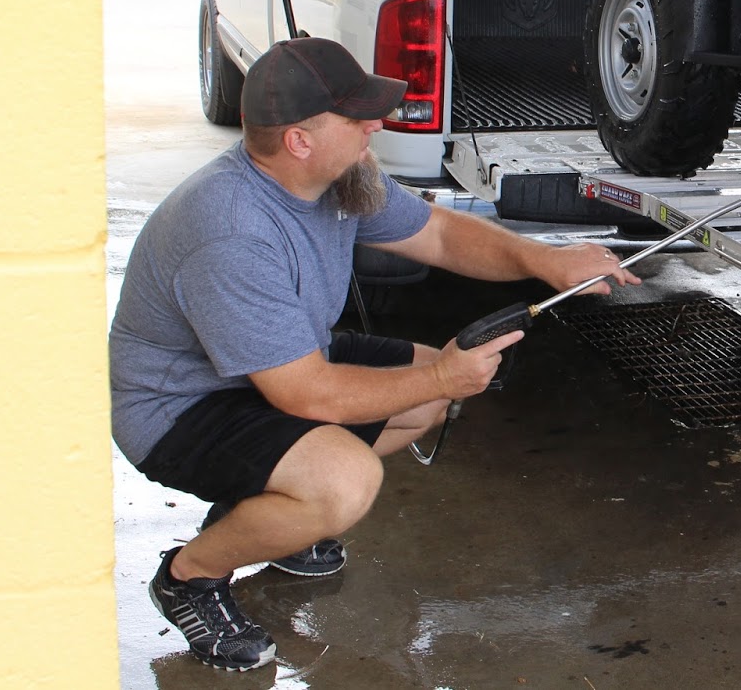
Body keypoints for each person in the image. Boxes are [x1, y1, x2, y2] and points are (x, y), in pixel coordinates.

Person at [109, 37, 637, 671]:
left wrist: (542, 261)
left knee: (430, 396)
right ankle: (190, 576)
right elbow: (305, 395)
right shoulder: (230, 230)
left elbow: (436, 233)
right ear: (299, 140)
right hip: (178, 407)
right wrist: (444, 373)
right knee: (344, 483)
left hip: (280, 361)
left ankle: (262, 517)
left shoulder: (343, 174)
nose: (375, 125)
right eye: (357, 116)